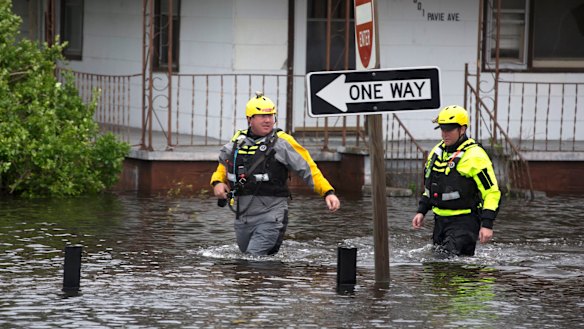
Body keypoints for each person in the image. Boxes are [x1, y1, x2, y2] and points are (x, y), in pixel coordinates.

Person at [210, 91, 341, 256]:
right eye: (261, 116)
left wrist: (328, 192)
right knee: (245, 260)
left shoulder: (283, 143)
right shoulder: (237, 143)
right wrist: (217, 182)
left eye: (271, 116)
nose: (268, 120)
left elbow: (308, 168)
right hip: (243, 216)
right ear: (250, 119)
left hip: (272, 215)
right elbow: (223, 166)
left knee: (253, 259)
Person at [411, 105, 501, 256]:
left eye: (449, 130)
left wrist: (487, 224)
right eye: (442, 129)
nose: (445, 134)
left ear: (462, 129)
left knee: (449, 264)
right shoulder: (437, 152)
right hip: (440, 220)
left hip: (464, 221)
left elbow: (492, 193)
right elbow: (431, 187)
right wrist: (422, 211)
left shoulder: (475, 156)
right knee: (437, 267)